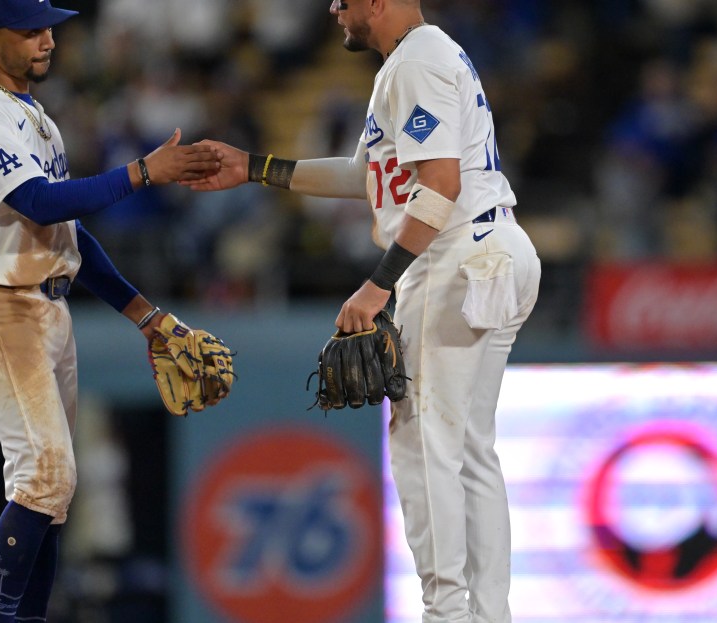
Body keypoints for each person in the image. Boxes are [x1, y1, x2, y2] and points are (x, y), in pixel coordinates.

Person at [184, 0, 541, 620]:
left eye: (343, 0)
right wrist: (254, 168)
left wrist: (378, 286)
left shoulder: (420, 58)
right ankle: (484, 614)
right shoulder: (417, 57)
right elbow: (366, 176)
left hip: (457, 253)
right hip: (488, 247)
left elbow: (440, 184)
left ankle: (446, 614)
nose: (333, 9)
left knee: (422, 439)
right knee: (467, 449)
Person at [0, 1, 221, 621]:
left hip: (46, 305)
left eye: (48, 29)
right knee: (44, 473)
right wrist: (144, 171)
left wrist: (148, 316)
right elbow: (39, 202)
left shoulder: (36, 118)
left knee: (54, 493)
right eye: (29, 30)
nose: (47, 40)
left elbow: (65, 234)